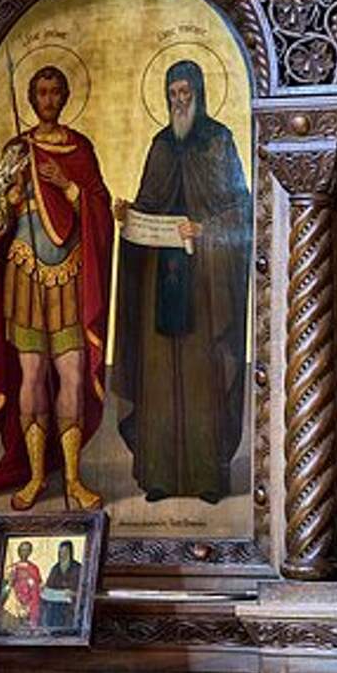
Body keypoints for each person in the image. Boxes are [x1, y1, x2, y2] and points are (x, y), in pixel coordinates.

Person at [113, 59, 251, 503]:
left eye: (186, 91)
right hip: (160, 277)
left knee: (202, 373)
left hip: (206, 280)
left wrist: (205, 229)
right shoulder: (159, 145)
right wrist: (128, 216)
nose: (179, 100)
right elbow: (149, 205)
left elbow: (241, 210)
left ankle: (207, 476)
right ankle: (159, 475)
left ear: (200, 92)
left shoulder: (218, 141)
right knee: (159, 376)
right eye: (173, 93)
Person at [0, 65, 113, 510]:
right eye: (42, 92)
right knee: (32, 374)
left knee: (72, 373)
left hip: (69, 275)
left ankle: (72, 478)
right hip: (23, 274)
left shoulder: (80, 148)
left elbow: (100, 209)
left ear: (66, 96)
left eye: (55, 91)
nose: (49, 99)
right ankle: (36, 476)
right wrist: (11, 197)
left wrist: (67, 185)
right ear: (32, 99)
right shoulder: (16, 151)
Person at [0, 540, 42, 630]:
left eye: (26, 550)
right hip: (13, 602)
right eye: (22, 550)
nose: (24, 553)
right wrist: (10, 582)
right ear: (18, 551)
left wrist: (29, 606)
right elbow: (5, 587)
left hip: (28, 601)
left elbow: (36, 589)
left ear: (30, 552)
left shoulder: (33, 568)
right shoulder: (12, 567)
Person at [40, 540, 82, 629]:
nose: (62, 555)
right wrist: (44, 588)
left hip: (71, 604)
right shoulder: (55, 568)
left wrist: (74, 593)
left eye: (65, 552)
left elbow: (85, 588)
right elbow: (49, 585)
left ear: (70, 553)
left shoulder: (78, 568)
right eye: (61, 552)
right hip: (55, 603)